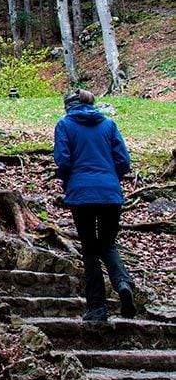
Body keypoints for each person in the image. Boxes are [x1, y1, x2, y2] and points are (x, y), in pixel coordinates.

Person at [53, 89, 136, 322]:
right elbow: (123, 161)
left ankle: (97, 308)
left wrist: (69, 180)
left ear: (68, 106)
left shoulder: (65, 125)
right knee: (108, 244)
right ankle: (122, 284)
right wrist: (110, 179)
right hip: (110, 194)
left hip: (81, 194)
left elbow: (63, 159)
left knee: (90, 249)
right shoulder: (108, 124)